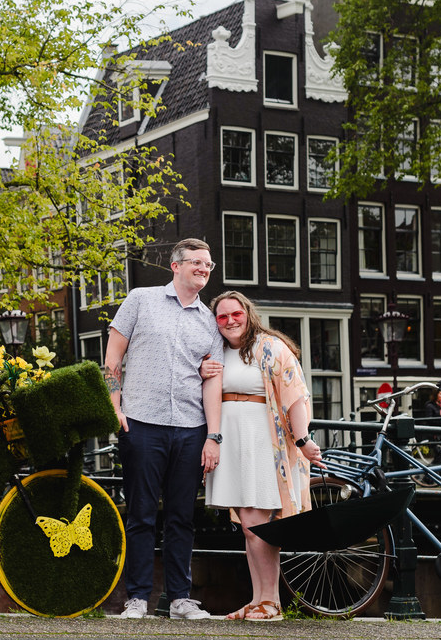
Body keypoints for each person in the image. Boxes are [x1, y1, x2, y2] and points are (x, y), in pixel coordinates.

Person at [104, 238, 225, 620]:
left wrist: (213, 435)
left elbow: (213, 382)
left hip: (190, 428)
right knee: (140, 513)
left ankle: (179, 600)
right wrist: (114, 407)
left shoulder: (210, 321)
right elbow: (112, 358)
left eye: (209, 264)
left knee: (181, 517)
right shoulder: (141, 299)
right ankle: (137, 599)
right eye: (197, 263)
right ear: (176, 265)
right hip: (141, 423)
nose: (204, 269)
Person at [203, 290, 323, 622]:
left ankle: (271, 602)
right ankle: (257, 600)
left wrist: (302, 440)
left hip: (260, 441)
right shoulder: (219, 352)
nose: (230, 321)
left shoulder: (270, 347)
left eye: (235, 314)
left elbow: (294, 394)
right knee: (247, 526)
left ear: (248, 313)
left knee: (258, 525)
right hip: (231, 441)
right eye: (223, 316)